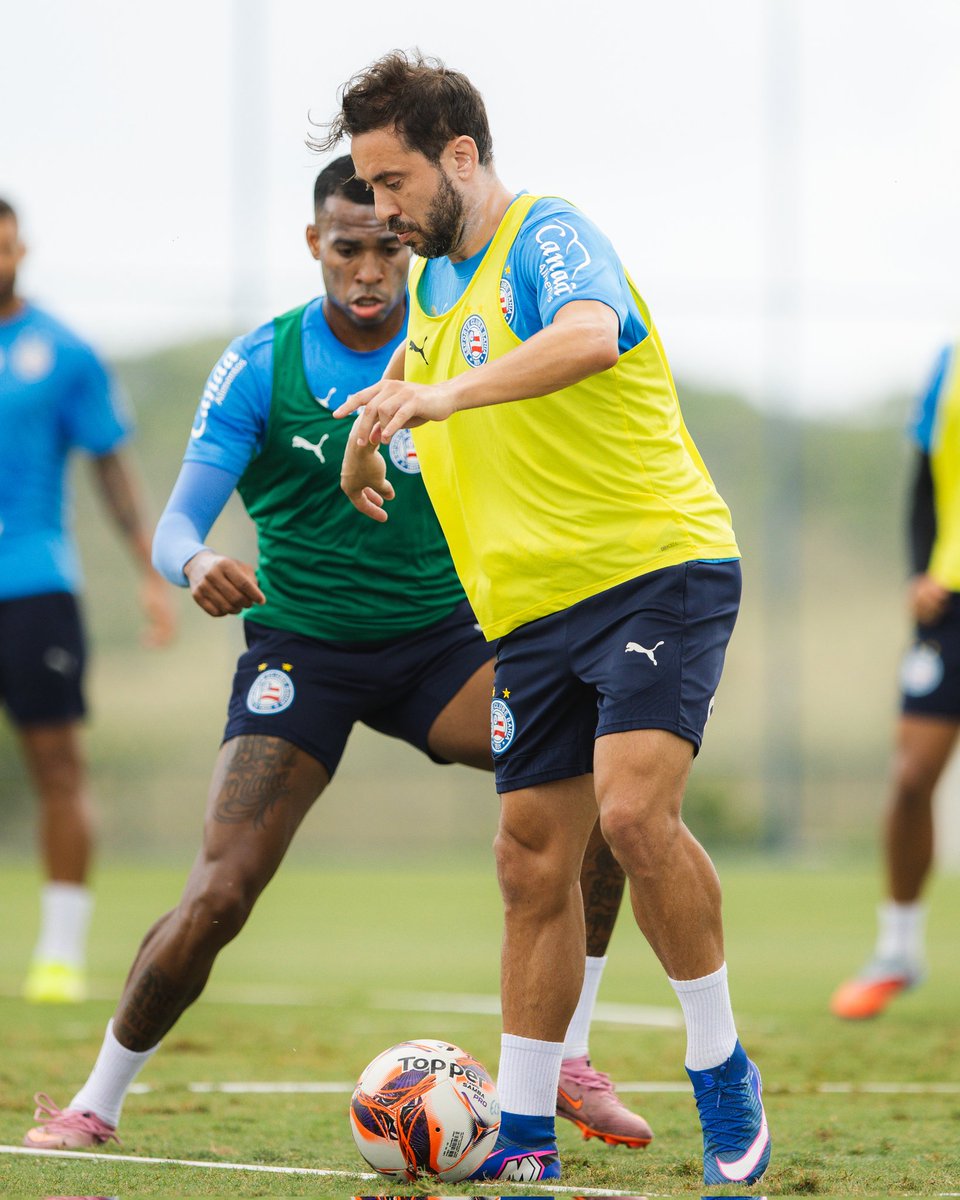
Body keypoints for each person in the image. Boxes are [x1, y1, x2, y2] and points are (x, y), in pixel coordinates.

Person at [23, 158, 651, 1153]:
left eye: (388, 247)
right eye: (347, 248)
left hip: (445, 650)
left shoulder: (453, 343)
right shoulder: (261, 365)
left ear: (412, 244)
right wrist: (196, 563)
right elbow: (176, 524)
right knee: (220, 891)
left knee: (611, 791)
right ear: (315, 244)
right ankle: (95, 1102)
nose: (369, 269)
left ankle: (566, 1057)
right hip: (303, 654)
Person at [325, 53, 770, 1187]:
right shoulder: (432, 288)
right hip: (529, 614)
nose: (382, 209)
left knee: (631, 814)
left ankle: (719, 1062)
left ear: (460, 155)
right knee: (530, 863)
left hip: (654, 568)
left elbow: (587, 334)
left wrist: (438, 393)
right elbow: (432, 395)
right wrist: (370, 444)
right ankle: (523, 1136)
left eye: (393, 181)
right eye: (368, 188)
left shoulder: (546, 234)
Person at [0, 198, 175, 1005]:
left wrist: (149, 570)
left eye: (5, 246)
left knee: (57, 766)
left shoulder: (64, 352)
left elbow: (111, 465)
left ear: (23, 249)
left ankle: (59, 955)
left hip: (34, 585)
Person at [831, 341, 960, 1020]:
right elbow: (927, 477)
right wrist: (918, 570)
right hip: (950, 603)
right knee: (912, 776)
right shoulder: (949, 362)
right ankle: (898, 950)